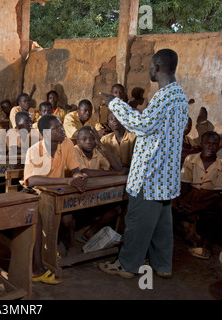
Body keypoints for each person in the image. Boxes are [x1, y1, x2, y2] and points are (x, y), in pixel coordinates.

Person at [98, 48, 188, 279]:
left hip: (150, 174)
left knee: (137, 222)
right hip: (166, 175)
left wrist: (115, 103)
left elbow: (141, 124)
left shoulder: (165, 95)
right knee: (161, 226)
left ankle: (128, 265)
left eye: (149, 66)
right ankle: (162, 264)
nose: (149, 69)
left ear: (157, 67)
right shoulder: (179, 95)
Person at [21, 114, 88, 284]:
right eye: (56, 128)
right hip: (36, 194)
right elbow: (33, 180)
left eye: (61, 127)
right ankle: (41, 262)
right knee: (43, 219)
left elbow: (74, 167)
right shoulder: (34, 150)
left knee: (66, 218)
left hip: (57, 194)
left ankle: (51, 252)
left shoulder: (66, 144)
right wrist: (66, 180)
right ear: (44, 133)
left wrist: (78, 176)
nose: (62, 131)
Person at [69, 126, 127, 246]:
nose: (89, 142)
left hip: (94, 192)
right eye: (84, 139)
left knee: (117, 208)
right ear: (78, 142)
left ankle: (90, 232)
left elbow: (118, 167)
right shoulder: (74, 151)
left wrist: (101, 145)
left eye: (92, 138)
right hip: (78, 193)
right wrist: (115, 173)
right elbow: (86, 172)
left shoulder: (97, 151)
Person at [174, 131, 221, 259]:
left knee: (217, 207)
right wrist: (181, 200)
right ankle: (187, 233)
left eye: (214, 144)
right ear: (201, 144)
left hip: (209, 200)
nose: (210, 147)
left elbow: (215, 193)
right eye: (207, 143)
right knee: (172, 205)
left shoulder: (220, 164)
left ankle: (207, 242)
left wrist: (194, 205)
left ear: (219, 146)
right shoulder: (191, 159)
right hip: (192, 196)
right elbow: (184, 184)